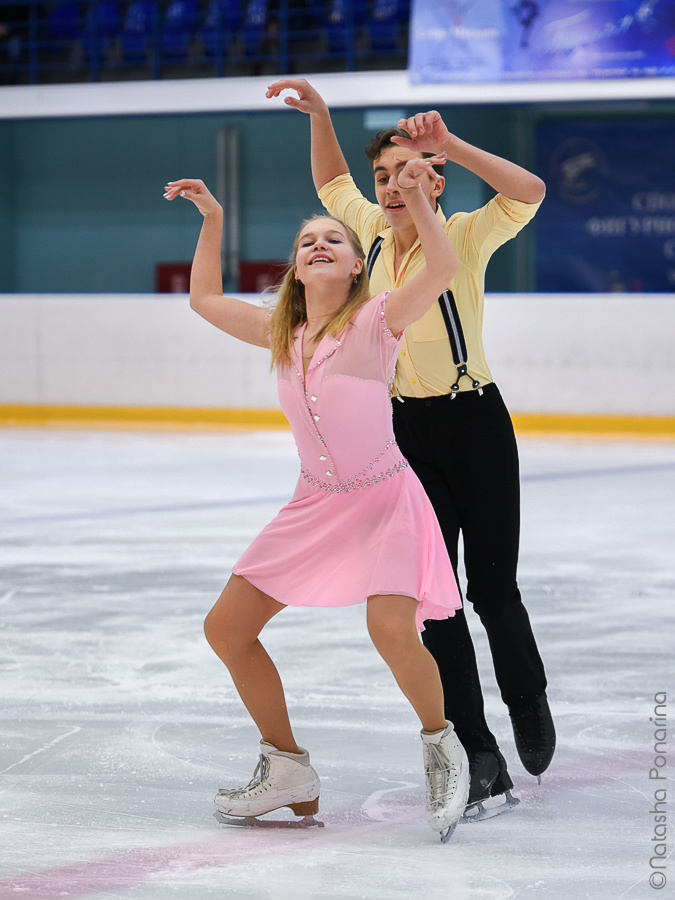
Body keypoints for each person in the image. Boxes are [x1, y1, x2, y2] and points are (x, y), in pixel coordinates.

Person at [265, 78, 555, 817]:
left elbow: (527, 190)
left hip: (476, 422)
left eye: (409, 171)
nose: (392, 186)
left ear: (435, 177)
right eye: (384, 176)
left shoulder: (459, 234)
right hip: (407, 436)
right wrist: (322, 115)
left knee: (493, 587)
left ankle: (526, 699)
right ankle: (477, 748)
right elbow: (330, 179)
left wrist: (448, 141)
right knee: (438, 600)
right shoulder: (364, 239)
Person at [163, 159, 471, 841]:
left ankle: (442, 747)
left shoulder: (376, 323)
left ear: (358, 268)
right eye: (308, 242)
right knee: (227, 629)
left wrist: (417, 200)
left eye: (334, 239)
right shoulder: (282, 333)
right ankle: (287, 768)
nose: (320, 245)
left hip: (384, 498)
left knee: (390, 630)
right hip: (314, 504)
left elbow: (442, 268)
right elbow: (204, 301)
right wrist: (214, 220)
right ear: (298, 270)